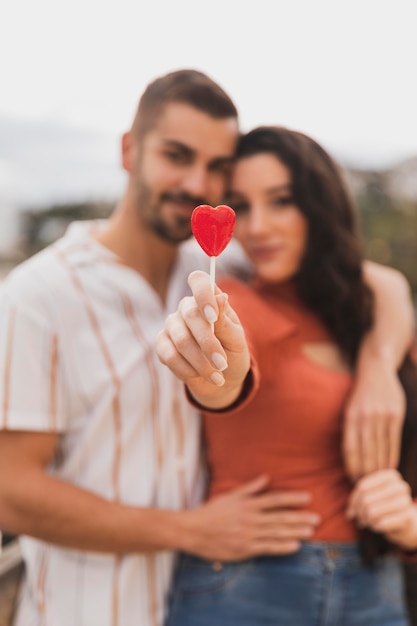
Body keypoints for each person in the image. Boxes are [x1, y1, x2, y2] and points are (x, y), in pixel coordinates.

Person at [0, 70, 413, 626]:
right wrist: (191, 526)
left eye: (218, 168)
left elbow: (376, 282)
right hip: (91, 607)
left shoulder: (226, 264)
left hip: (204, 586)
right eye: (177, 155)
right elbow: (9, 489)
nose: (198, 183)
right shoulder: (35, 296)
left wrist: (377, 366)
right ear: (129, 149)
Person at [157, 125, 417, 625]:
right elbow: (228, 378)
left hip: (375, 586)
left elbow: (387, 281)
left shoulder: (368, 314)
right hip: (250, 585)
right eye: (241, 206)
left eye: (280, 201)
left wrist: (407, 523)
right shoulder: (242, 301)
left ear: (320, 205)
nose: (257, 228)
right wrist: (213, 373)